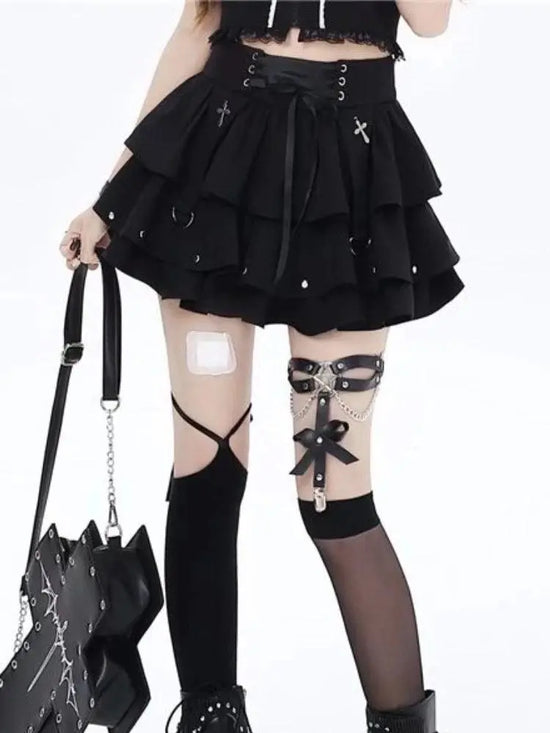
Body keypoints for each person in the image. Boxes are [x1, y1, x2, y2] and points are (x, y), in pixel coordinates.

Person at [59, 1, 463, 731]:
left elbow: (431, 21)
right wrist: (109, 199)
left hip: (351, 176)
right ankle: (211, 717)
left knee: (335, 498)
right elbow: (196, 26)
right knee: (208, 472)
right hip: (216, 167)